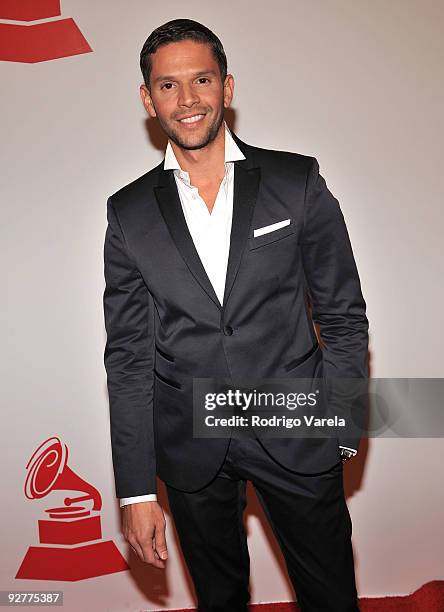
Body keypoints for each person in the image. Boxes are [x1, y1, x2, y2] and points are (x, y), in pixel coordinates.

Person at [103, 18, 369, 612]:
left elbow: (344, 316)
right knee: (218, 600)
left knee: (331, 597)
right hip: (191, 442)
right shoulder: (127, 213)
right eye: (167, 86)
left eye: (201, 79)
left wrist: (343, 425)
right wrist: (136, 489)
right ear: (148, 100)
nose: (187, 99)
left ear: (227, 87)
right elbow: (127, 357)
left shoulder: (294, 181)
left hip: (297, 426)